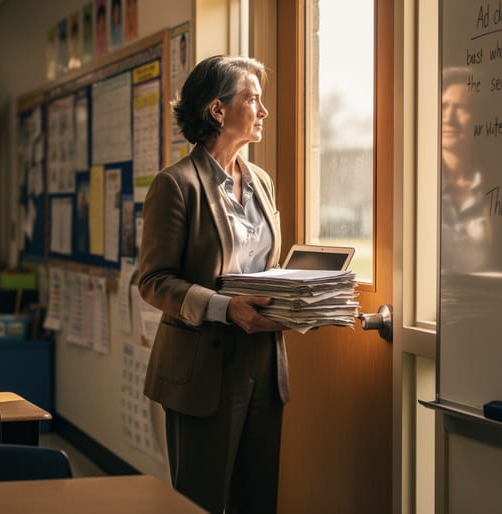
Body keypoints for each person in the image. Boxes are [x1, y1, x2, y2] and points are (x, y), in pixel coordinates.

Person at [138, 55, 286, 514]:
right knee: (201, 501)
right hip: (202, 367)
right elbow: (154, 281)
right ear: (218, 110)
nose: (263, 111)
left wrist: (299, 300)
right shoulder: (176, 185)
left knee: (257, 497)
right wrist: (226, 308)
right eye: (252, 99)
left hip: (263, 359)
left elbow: (264, 265)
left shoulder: (261, 181)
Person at [441, 67, 490, 272]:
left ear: (480, 119)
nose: (448, 118)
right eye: (443, 106)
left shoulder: (495, 190)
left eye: (461, 108)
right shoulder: (415, 186)